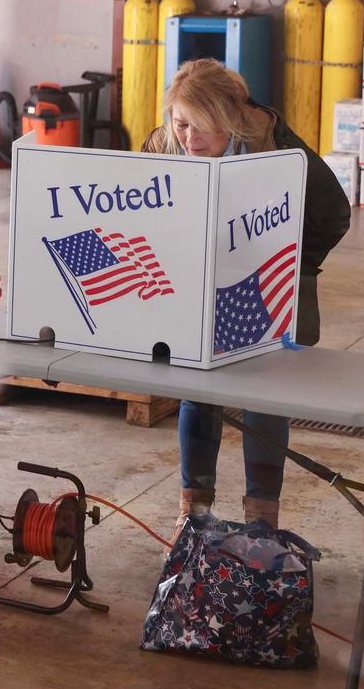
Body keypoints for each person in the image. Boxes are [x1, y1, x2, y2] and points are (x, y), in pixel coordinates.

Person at [143, 59, 352, 530]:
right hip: (195, 288)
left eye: (202, 128)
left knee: (265, 394)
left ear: (230, 122)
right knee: (198, 391)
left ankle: (262, 516)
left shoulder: (277, 148)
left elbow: (332, 214)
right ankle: (193, 510)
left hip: (263, 287)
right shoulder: (163, 145)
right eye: (181, 125)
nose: (189, 139)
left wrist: (293, 267)